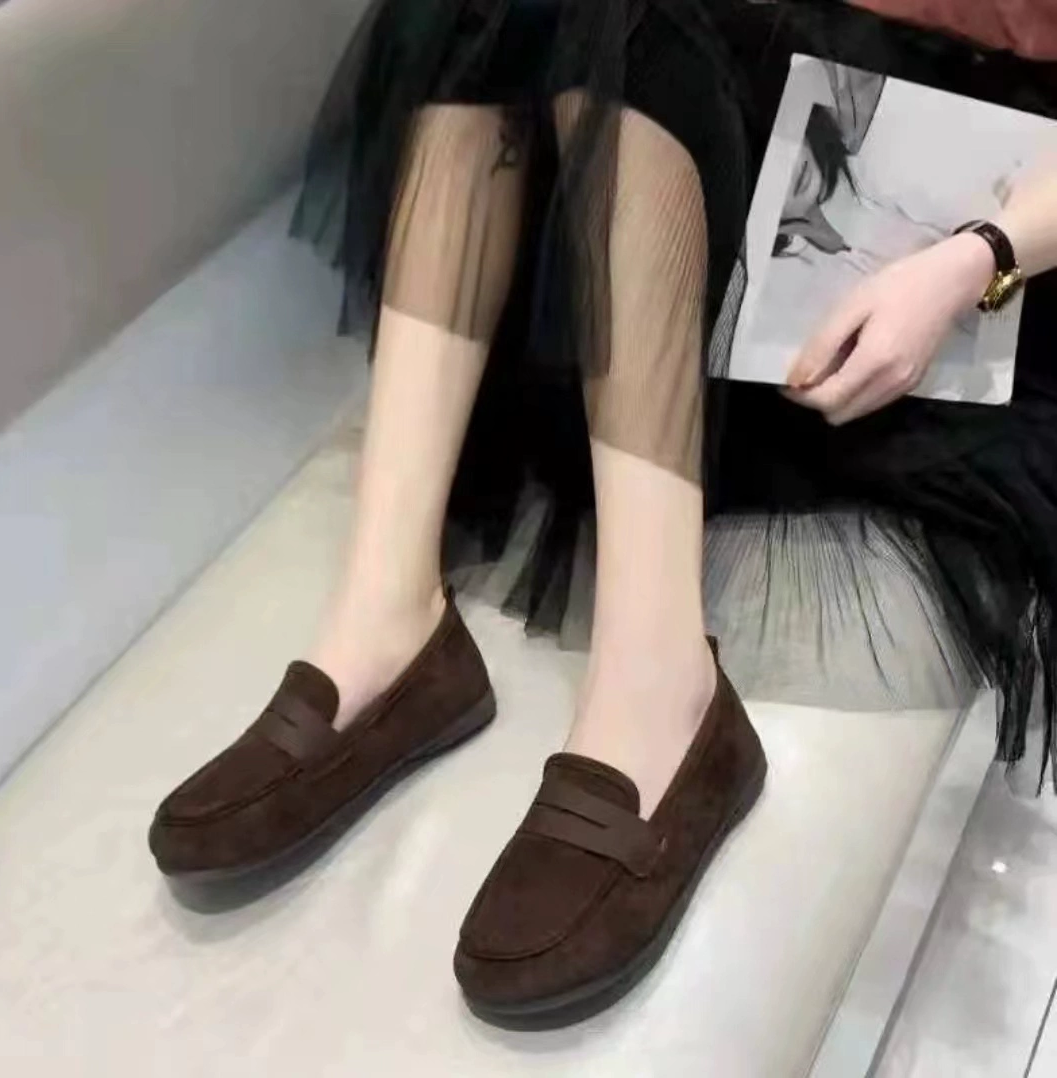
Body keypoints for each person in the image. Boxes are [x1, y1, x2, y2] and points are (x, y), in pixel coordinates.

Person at [148, 0, 1057, 1029]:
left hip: (943, 230)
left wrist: (978, 257)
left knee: (638, 26)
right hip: (684, 191)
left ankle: (658, 691)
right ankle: (386, 615)